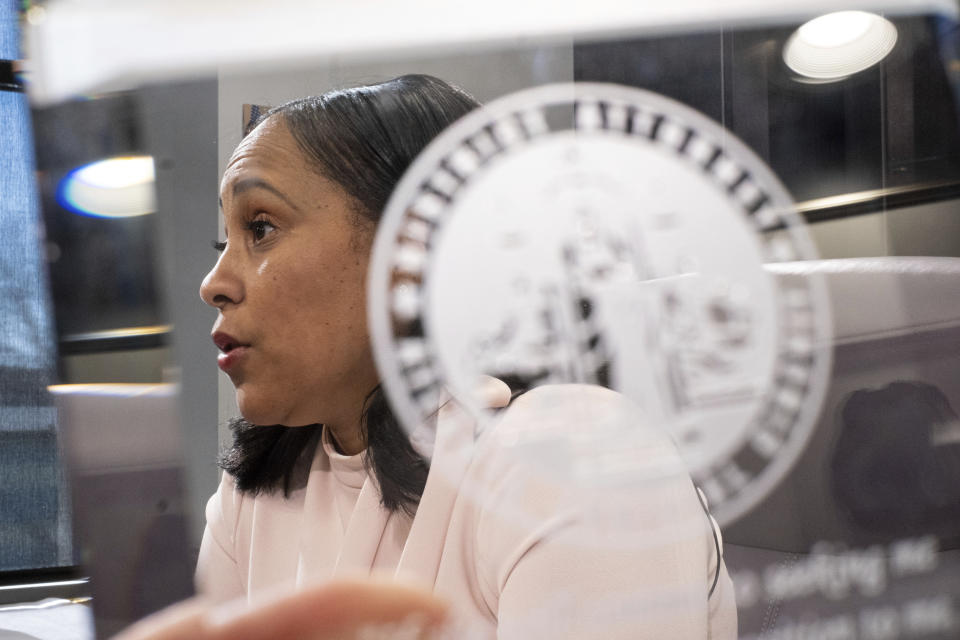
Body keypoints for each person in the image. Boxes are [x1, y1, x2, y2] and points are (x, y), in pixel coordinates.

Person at [118, 74, 737, 639]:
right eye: (224, 240)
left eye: (261, 228)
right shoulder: (257, 489)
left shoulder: (576, 460)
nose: (213, 283)